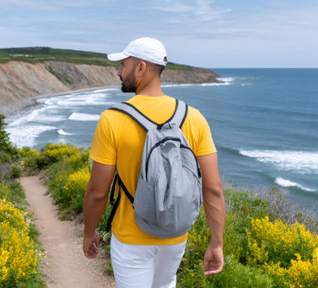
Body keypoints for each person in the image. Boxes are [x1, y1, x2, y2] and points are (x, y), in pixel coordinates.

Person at [82, 37, 225, 288]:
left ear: (141, 68)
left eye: (124, 65)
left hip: (130, 238)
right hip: (175, 235)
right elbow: (213, 189)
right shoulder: (193, 117)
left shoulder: (112, 119)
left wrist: (89, 233)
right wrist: (216, 244)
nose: (119, 71)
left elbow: (97, 192)